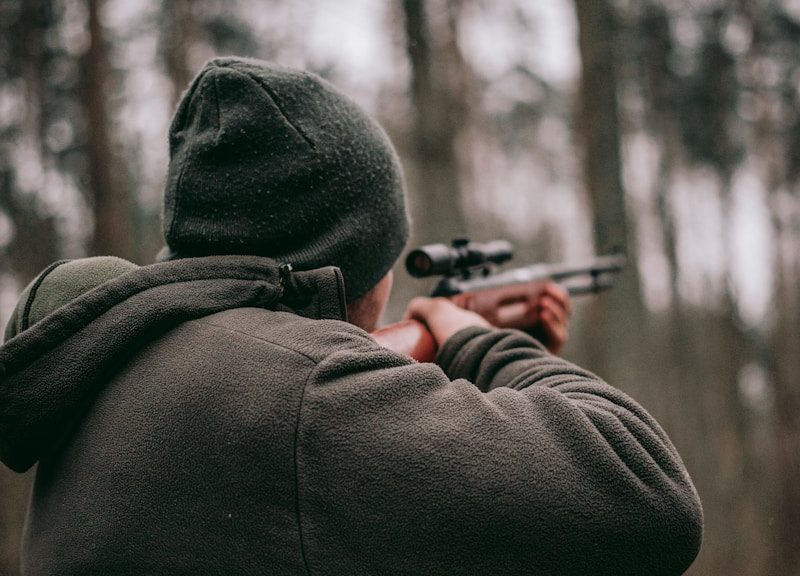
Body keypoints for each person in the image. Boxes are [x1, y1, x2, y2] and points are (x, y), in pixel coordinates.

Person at [0, 57, 702, 575]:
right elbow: (648, 499)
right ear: (348, 266)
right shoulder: (302, 392)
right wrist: (481, 345)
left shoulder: (113, 359)